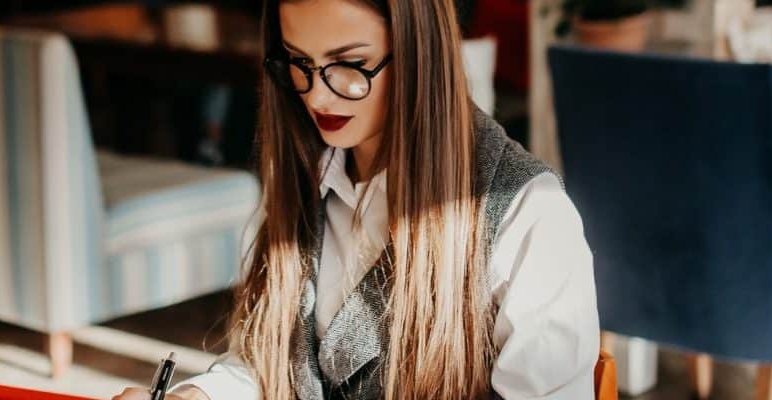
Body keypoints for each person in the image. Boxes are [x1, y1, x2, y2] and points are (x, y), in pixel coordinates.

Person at [115, 0, 596, 398]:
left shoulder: (527, 213)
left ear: (419, 50)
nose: (318, 98)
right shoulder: (309, 172)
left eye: (349, 65)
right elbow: (274, 362)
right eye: (299, 62)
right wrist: (197, 396)